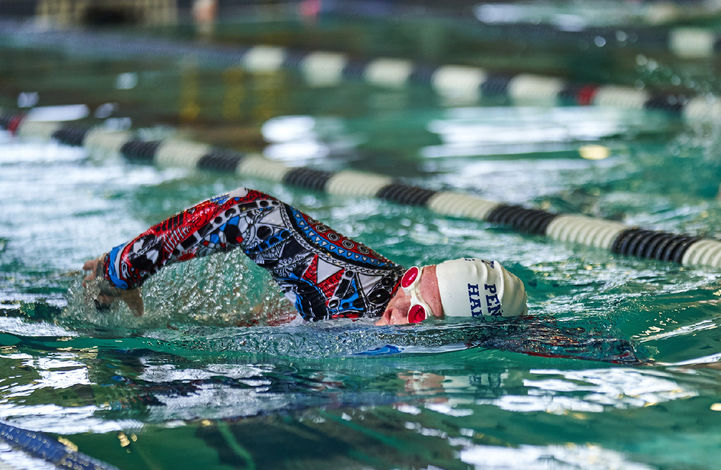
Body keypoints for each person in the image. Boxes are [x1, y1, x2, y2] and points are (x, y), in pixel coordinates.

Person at [83, 187, 528, 326]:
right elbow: (245, 209)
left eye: (418, 318)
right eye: (410, 291)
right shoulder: (347, 285)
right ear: (411, 274)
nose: (398, 313)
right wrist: (125, 268)